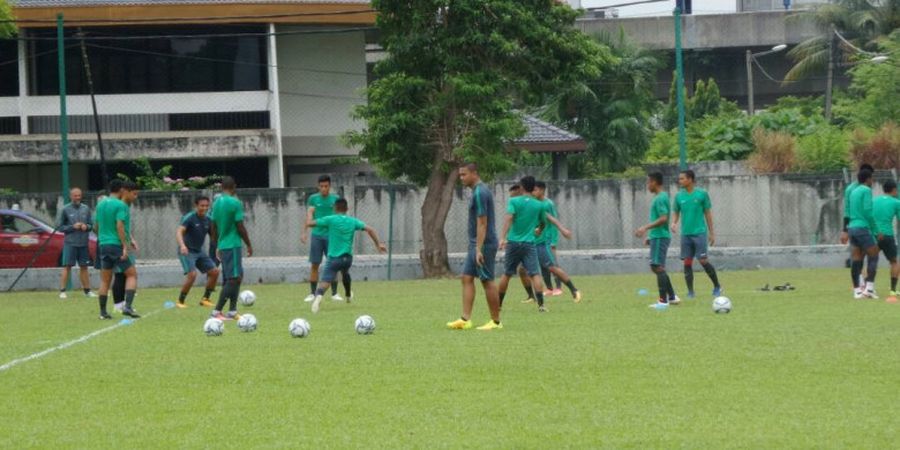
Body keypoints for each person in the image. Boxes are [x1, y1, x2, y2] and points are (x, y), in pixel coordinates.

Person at [447, 163, 502, 331]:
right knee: (467, 277)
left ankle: (496, 322)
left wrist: (478, 248)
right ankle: (465, 319)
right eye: (460, 175)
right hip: (475, 244)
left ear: (474, 173)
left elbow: (483, 223)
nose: (461, 178)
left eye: (464, 175)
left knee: (487, 280)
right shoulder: (477, 191)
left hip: (483, 244)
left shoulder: (480, 192)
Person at [306, 198, 386, 314]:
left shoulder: (331, 219)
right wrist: (378, 245)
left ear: (334, 208)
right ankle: (348, 295)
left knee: (326, 281)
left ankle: (318, 297)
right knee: (345, 273)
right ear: (347, 209)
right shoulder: (353, 221)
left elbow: (310, 223)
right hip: (347, 258)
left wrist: (310, 213)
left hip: (334, 258)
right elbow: (370, 229)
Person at [497, 176, 564, 313]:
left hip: (514, 242)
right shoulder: (538, 205)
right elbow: (544, 222)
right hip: (529, 243)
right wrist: (539, 230)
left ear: (521, 187)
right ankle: (541, 305)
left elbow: (508, 219)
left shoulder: (514, 201)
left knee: (507, 274)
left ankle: (498, 305)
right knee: (534, 274)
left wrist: (502, 238)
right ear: (533, 188)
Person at [671, 169, 722, 298]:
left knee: (703, 260)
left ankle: (717, 286)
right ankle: (690, 292)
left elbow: (708, 213)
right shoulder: (679, 196)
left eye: (682, 178)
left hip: (699, 232)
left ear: (690, 179)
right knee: (687, 262)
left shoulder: (702, 194)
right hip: (686, 234)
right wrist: (674, 222)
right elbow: (676, 211)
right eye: (680, 178)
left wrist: (712, 233)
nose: (680, 181)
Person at [95, 180, 140, 319]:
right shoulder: (121, 205)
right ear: (122, 190)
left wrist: (103, 238)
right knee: (132, 274)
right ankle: (127, 307)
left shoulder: (101, 204)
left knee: (105, 280)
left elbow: (96, 226)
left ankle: (103, 312)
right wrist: (125, 246)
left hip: (103, 245)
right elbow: (119, 226)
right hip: (116, 245)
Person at [210, 176, 253, 321]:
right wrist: (248, 244)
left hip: (223, 245)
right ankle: (217, 311)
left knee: (237, 277)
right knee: (234, 278)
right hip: (233, 244)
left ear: (222, 187)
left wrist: (216, 245)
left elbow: (213, 226)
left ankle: (232, 311)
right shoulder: (235, 202)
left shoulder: (216, 203)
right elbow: (240, 226)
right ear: (234, 187)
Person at [635, 172, 680, 307]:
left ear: (655, 182)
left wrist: (645, 228)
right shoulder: (660, 197)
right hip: (658, 236)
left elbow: (663, 218)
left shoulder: (660, 198)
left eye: (648, 182)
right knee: (657, 267)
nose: (647, 185)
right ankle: (671, 297)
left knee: (657, 266)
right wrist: (651, 237)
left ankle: (663, 300)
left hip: (660, 236)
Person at [533, 181, 581, 303]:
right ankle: (549, 288)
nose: (534, 192)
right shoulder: (535, 203)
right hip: (537, 239)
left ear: (542, 190)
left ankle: (559, 287)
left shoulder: (548, 203)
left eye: (536, 190)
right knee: (545, 265)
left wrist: (554, 239)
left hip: (548, 237)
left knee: (552, 264)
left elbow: (553, 219)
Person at [301, 175, 347, 303]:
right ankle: (312, 293)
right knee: (315, 264)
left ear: (329, 186)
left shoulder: (336, 199)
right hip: (317, 236)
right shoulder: (313, 199)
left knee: (334, 264)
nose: (324, 188)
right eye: (321, 186)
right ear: (318, 186)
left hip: (332, 237)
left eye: (326, 186)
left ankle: (334, 293)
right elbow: (309, 215)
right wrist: (304, 232)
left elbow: (341, 217)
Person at [175, 196, 220, 309]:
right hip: (187, 251)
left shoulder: (208, 219)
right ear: (196, 206)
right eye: (202, 206)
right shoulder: (189, 217)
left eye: (206, 206)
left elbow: (213, 236)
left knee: (214, 271)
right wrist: (182, 246)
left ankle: (205, 299)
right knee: (192, 274)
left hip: (199, 251)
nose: (204, 208)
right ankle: (180, 301)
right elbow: (179, 232)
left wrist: (219, 247)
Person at [57, 187, 97, 299]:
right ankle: (62, 291)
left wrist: (86, 227)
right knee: (67, 266)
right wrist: (72, 227)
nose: (77, 197)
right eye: (75, 195)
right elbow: (60, 227)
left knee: (84, 267)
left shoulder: (86, 209)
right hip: (70, 243)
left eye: (79, 195)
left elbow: (91, 225)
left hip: (83, 243)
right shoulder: (65, 209)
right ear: (71, 196)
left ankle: (87, 291)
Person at [847, 169, 880, 299]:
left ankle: (857, 291)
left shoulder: (853, 191)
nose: (872, 181)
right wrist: (876, 230)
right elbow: (868, 212)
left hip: (852, 228)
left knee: (856, 260)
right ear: (867, 179)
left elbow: (849, 210)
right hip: (862, 228)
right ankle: (869, 289)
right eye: (871, 179)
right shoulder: (866, 190)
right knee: (874, 255)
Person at [842, 163, 875, 288]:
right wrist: (844, 230)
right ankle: (860, 281)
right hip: (856, 226)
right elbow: (847, 210)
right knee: (860, 254)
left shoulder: (866, 188)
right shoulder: (851, 189)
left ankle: (861, 281)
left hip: (863, 225)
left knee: (863, 253)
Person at [873, 180, 900, 298]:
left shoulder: (874, 201)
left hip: (874, 234)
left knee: (871, 259)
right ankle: (893, 290)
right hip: (887, 235)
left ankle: (867, 287)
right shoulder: (896, 202)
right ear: (894, 189)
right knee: (894, 262)